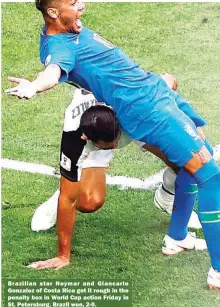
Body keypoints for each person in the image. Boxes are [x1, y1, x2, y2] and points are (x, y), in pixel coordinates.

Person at [6, 0, 220, 293]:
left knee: (193, 162)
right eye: (72, 2)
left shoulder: (70, 30)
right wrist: (34, 86)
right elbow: (53, 72)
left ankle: (177, 238)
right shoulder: (59, 48)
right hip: (148, 112)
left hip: (156, 92)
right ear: (53, 14)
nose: (81, 5)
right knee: (209, 175)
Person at [31, 87, 202, 233]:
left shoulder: (135, 106)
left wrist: (193, 123)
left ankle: (167, 196)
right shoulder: (75, 132)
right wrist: (63, 257)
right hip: (98, 132)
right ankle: (61, 194)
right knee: (89, 202)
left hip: (129, 123)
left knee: (186, 160)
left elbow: (167, 82)